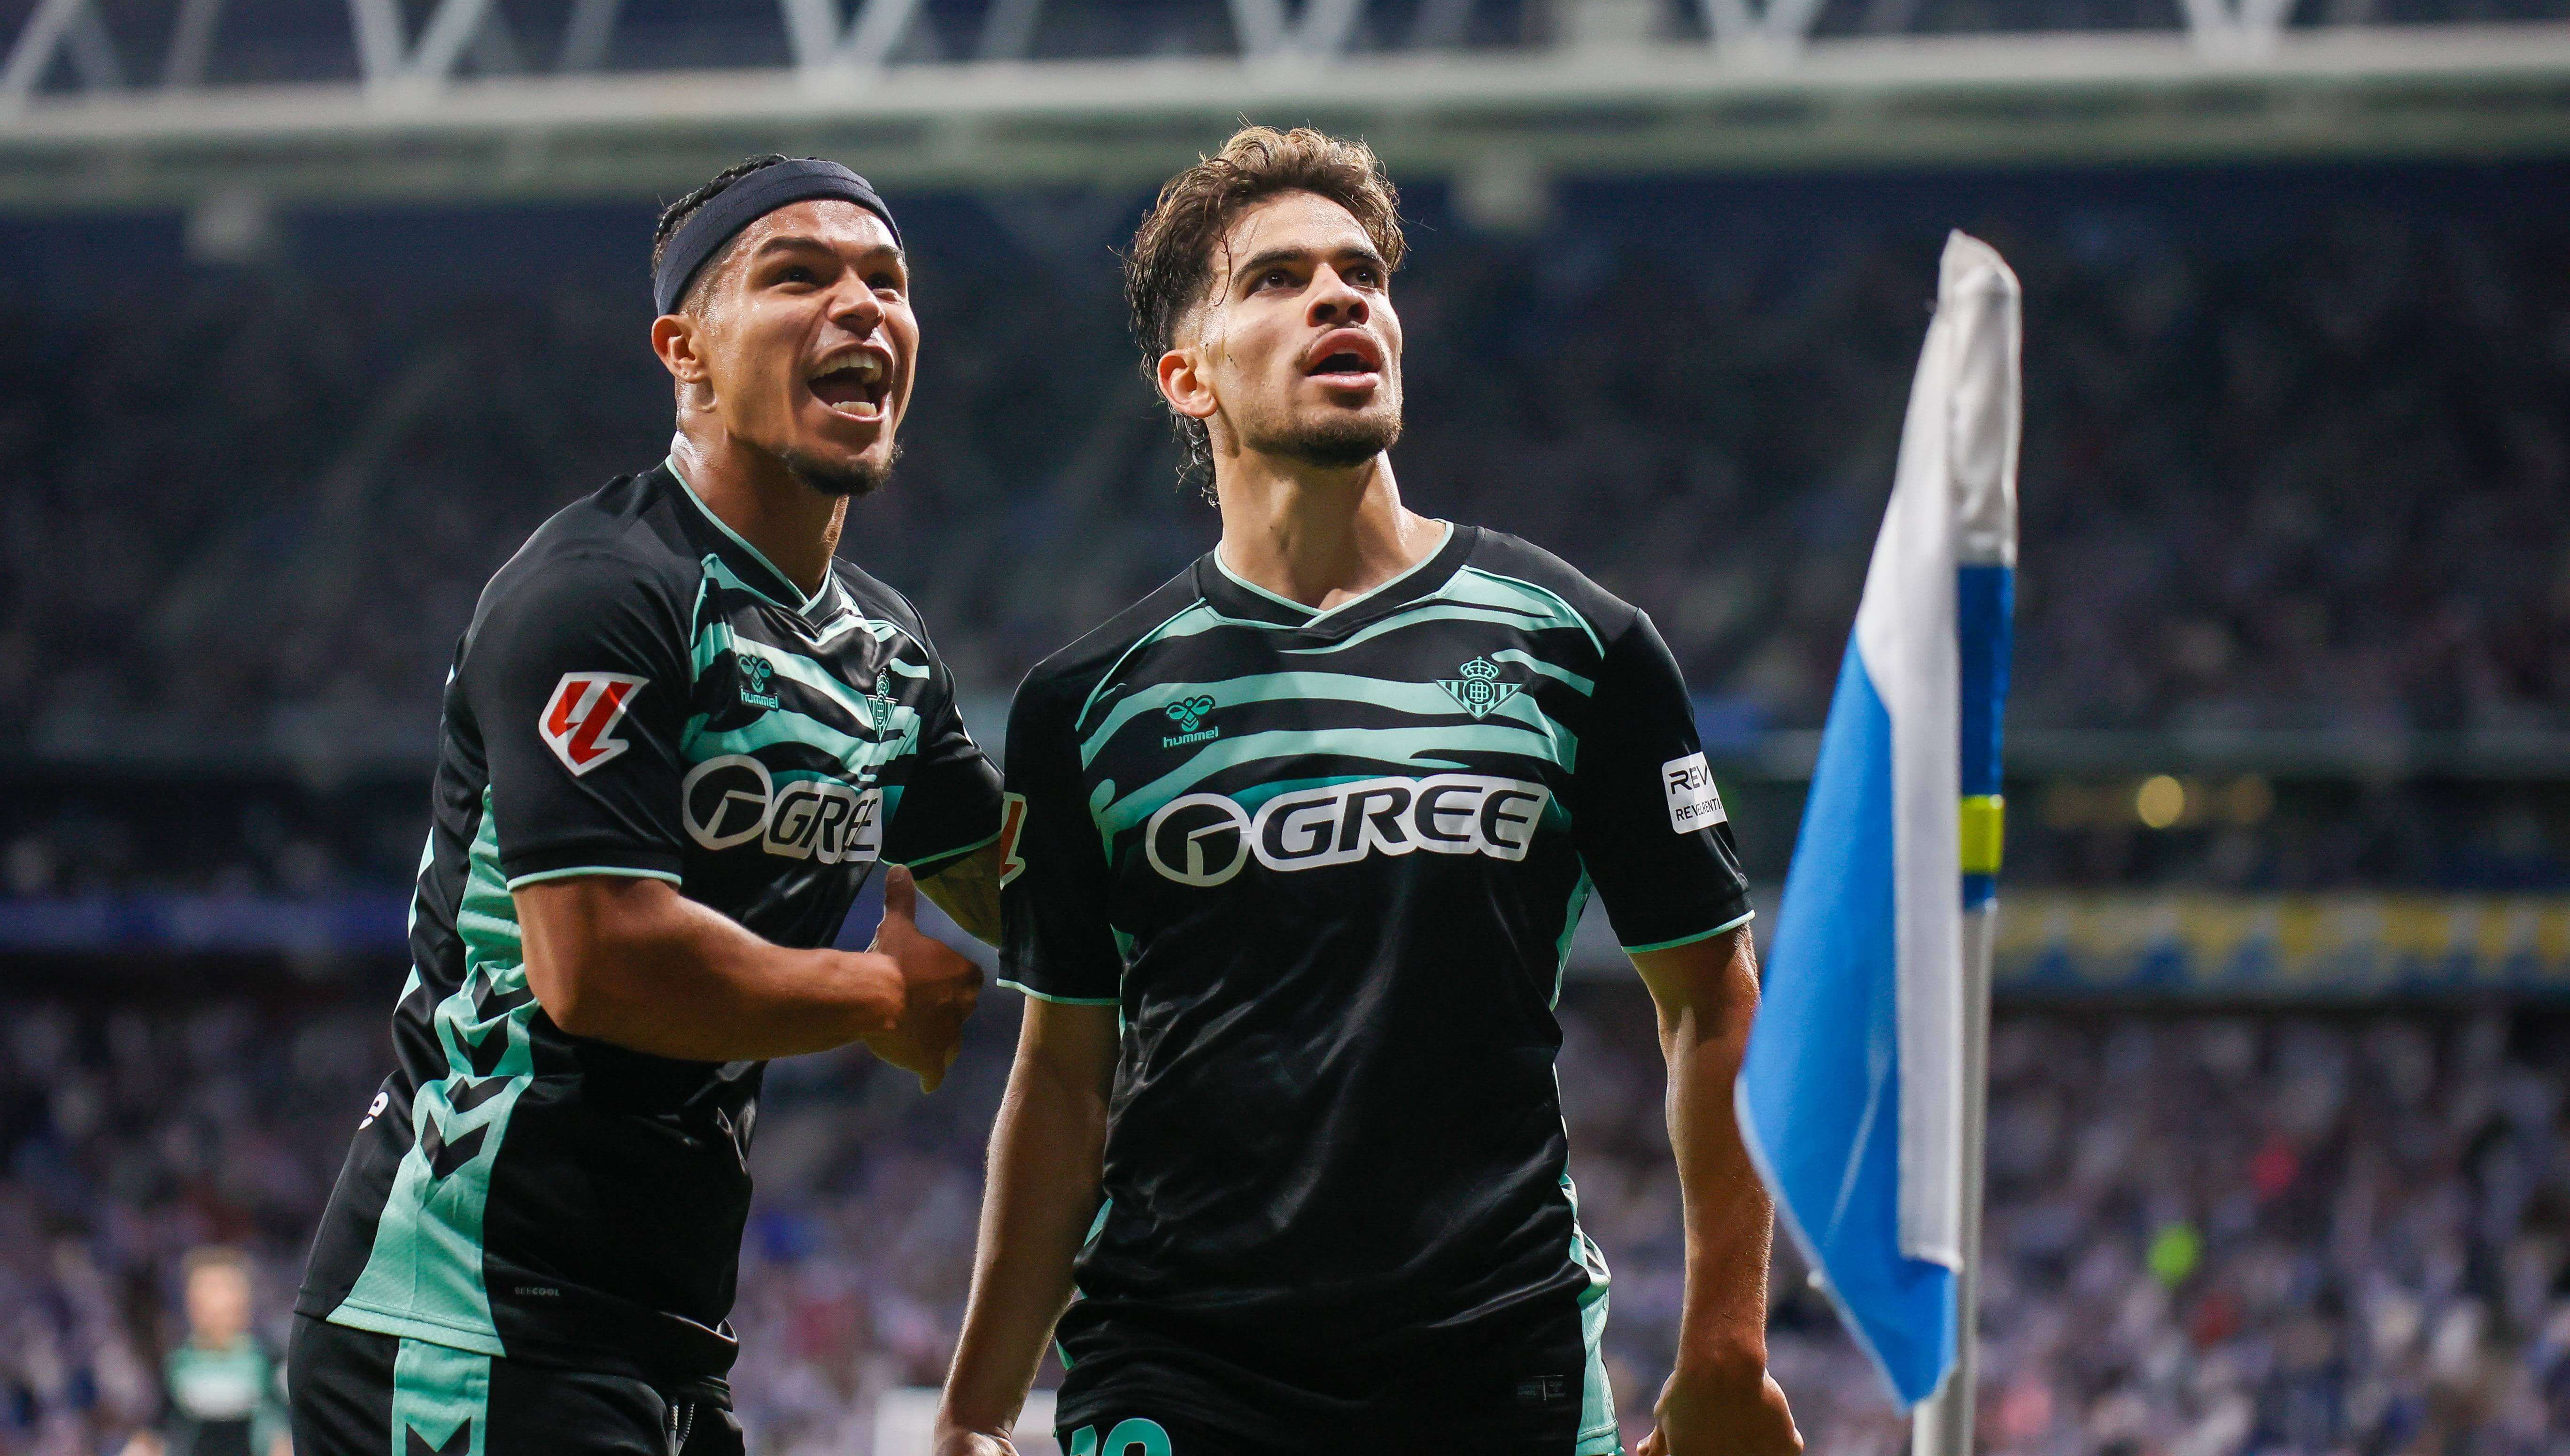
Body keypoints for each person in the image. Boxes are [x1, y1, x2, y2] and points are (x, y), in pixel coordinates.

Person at [936, 127, 1803, 1456]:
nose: (1340, 297)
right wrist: (977, 1412)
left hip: (1498, 1364)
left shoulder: (1582, 645)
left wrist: (1727, 1352)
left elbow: (1711, 1004)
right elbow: (1063, 1078)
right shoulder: (1087, 704)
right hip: (1181, 1370)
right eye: (1276, 280)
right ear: (1190, 377)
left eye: (1362, 274)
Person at [291, 155, 1010, 1456]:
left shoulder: (885, 652)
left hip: (661, 1339)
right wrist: (880, 997)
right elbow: (600, 964)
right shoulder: (604, 587)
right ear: (684, 348)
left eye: (888, 282)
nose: (862, 307)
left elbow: (1023, 892)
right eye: (798, 275)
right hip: (468, 1322)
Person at [123, 1248, 290, 1456]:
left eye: (227, 1289)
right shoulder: (173, 1367)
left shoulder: (270, 1364)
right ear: (190, 1301)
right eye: (209, 1290)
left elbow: (286, 1435)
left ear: (245, 1300)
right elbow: (150, 1435)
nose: (218, 1304)